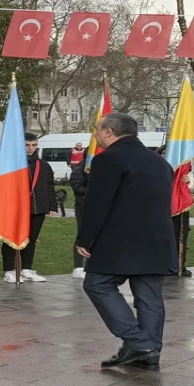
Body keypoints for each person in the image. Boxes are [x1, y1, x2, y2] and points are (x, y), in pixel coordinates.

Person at [76, 113, 176, 369]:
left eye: (97, 129)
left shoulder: (108, 159)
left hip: (120, 240)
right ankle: (149, 352)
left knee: (97, 284)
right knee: (149, 296)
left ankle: (138, 342)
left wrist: (86, 237)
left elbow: (97, 203)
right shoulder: (159, 161)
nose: (96, 134)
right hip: (158, 239)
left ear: (109, 131)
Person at [1, 133, 57, 283]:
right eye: (27, 145)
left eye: (34, 145)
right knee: (11, 239)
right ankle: (8, 271)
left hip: (38, 208)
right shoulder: (11, 164)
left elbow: (50, 186)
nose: (30, 148)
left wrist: (52, 205)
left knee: (31, 239)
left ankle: (26, 269)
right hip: (16, 208)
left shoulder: (44, 165)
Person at [158, 144, 194, 278]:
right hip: (159, 207)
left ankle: (178, 265)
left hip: (178, 207)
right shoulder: (154, 168)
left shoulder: (182, 169)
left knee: (178, 236)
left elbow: (193, 188)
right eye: (163, 154)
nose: (165, 157)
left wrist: (186, 182)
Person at [69, 160, 89, 279]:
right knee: (82, 234)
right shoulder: (79, 170)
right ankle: (78, 266)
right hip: (83, 207)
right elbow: (77, 187)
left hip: (101, 207)